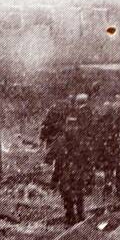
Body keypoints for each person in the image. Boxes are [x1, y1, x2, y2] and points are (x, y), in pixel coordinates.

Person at [47, 96, 93, 224]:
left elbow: (54, 161)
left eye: (73, 126)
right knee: (74, 199)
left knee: (73, 199)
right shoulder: (72, 141)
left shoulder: (64, 141)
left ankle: (74, 219)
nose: (71, 128)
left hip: (71, 174)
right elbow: (56, 161)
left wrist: (54, 179)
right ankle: (75, 219)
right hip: (73, 174)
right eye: (69, 125)